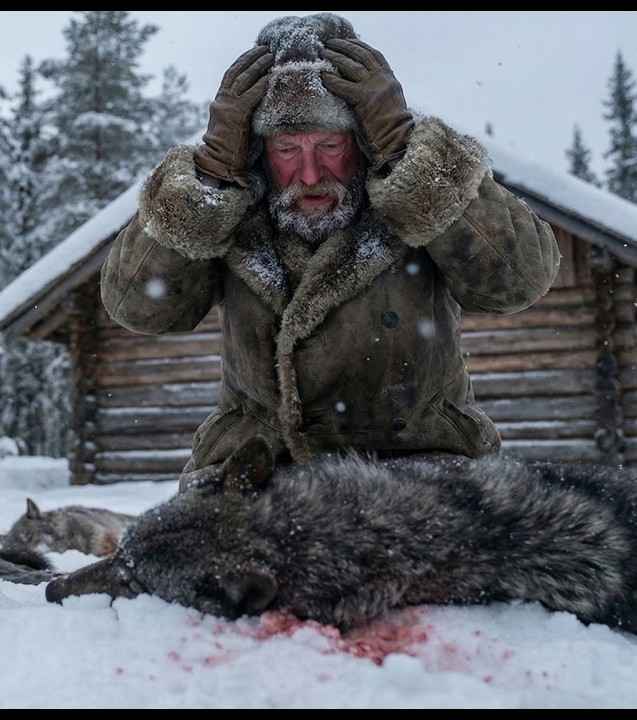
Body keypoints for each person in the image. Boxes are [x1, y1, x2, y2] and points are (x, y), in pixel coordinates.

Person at [100, 13, 562, 489]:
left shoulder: (421, 194)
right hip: (254, 480)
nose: (311, 173)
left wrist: (408, 153)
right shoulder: (229, 212)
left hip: (420, 479)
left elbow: (520, 280)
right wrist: (211, 174)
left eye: (330, 144)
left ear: (360, 141)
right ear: (258, 148)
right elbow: (138, 308)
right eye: (286, 149)